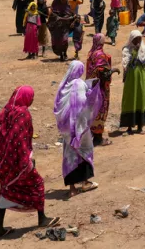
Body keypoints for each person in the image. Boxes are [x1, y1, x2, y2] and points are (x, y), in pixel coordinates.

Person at [0, 86, 59, 238]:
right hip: (19, 159)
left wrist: (2, 147)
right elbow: (21, 139)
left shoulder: (8, 110)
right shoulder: (23, 113)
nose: (32, 100)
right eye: (31, 97)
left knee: (6, 188)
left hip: (5, 160)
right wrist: (27, 159)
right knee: (37, 184)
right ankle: (42, 218)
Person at [54, 61, 103, 197]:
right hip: (79, 127)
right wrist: (93, 91)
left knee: (70, 156)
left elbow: (58, 107)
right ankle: (85, 182)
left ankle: (72, 189)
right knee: (84, 152)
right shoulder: (79, 84)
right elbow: (83, 103)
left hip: (67, 130)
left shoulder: (63, 86)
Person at [120, 30, 145, 134]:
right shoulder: (126, 50)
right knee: (129, 99)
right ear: (131, 39)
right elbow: (126, 64)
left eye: (139, 39)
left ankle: (140, 127)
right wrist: (134, 52)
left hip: (141, 77)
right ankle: (129, 127)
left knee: (141, 98)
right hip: (130, 78)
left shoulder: (143, 49)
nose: (137, 41)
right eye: (135, 39)